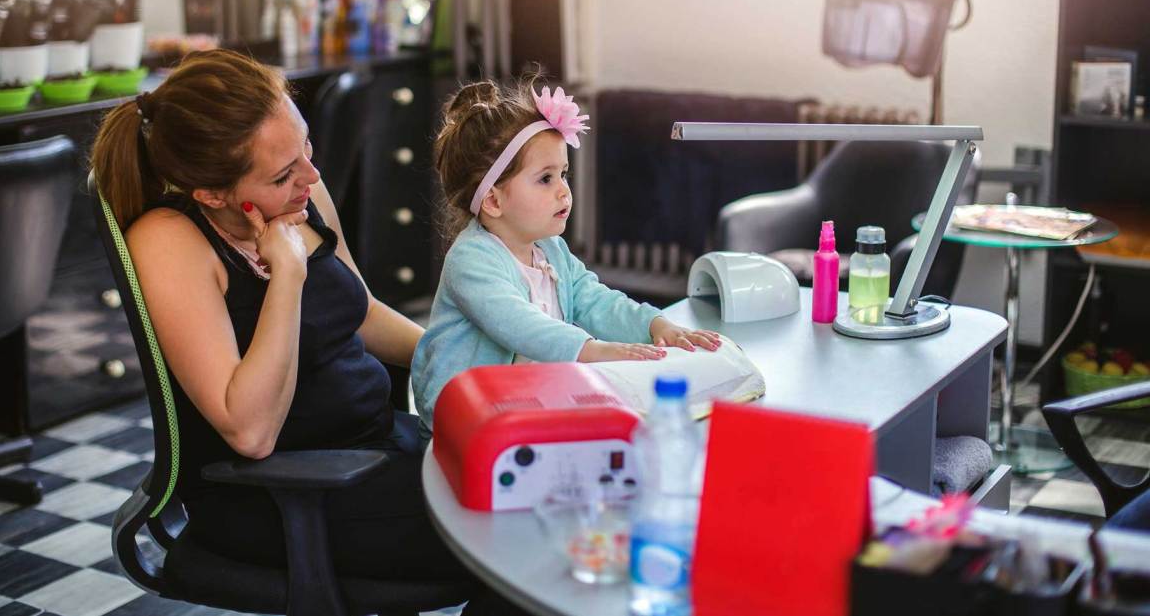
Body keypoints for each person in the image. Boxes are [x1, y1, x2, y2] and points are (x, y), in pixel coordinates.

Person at [91, 48, 526, 614]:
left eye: (307, 148)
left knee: (554, 484)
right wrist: (287, 275)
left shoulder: (302, 194)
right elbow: (251, 433)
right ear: (212, 194)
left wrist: (474, 366)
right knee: (528, 534)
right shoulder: (171, 241)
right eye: (282, 173)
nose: (312, 176)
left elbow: (360, 312)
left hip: (378, 448)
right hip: (287, 494)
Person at [412, 74, 722, 435]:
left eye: (564, 174)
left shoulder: (550, 249)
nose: (564, 192)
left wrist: (654, 325)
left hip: (523, 400)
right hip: (462, 419)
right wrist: (593, 350)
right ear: (493, 200)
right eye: (546, 179)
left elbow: (594, 300)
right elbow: (519, 324)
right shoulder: (472, 260)